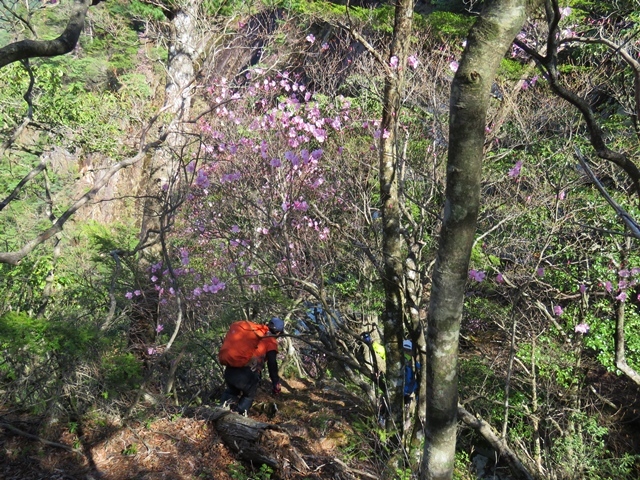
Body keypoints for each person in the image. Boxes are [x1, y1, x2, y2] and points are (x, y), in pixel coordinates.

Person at [218, 317, 284, 415]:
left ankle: (219, 413)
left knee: (231, 392)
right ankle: (238, 418)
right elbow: (272, 364)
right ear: (278, 332)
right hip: (246, 375)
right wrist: (275, 382)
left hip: (230, 369)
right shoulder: (270, 341)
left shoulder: (255, 332)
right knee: (248, 396)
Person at [403, 339, 420, 405]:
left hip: (411, 392)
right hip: (405, 392)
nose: (407, 352)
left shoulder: (414, 363)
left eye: (408, 350)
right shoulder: (404, 362)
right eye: (405, 350)